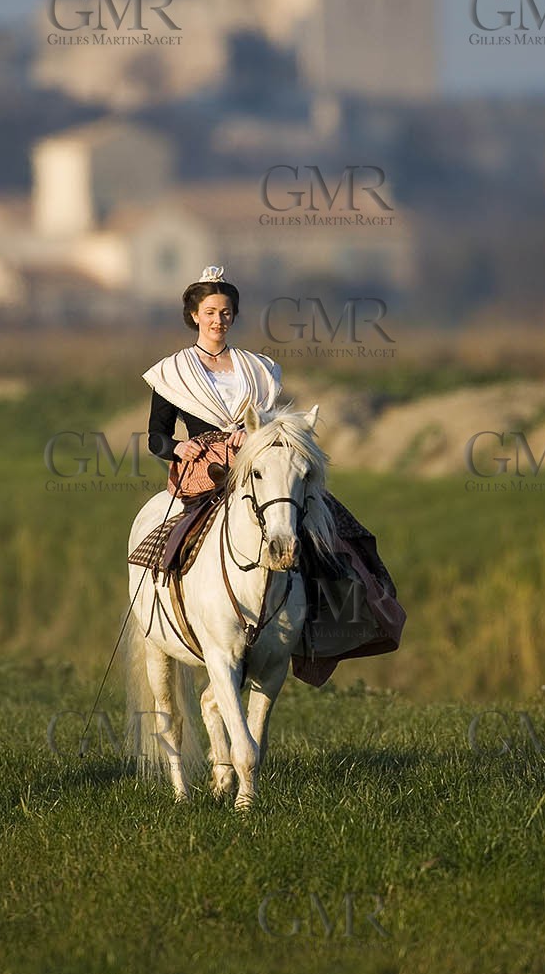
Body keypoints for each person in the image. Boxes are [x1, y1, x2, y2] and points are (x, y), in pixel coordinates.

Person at [142, 265, 405, 685]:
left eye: (225, 312)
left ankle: (331, 614)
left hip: (258, 459)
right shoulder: (172, 372)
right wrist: (179, 447)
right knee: (179, 535)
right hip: (205, 467)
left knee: (324, 520)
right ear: (194, 315)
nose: (218, 320)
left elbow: (273, 421)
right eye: (210, 312)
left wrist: (260, 436)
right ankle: (165, 595)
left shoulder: (258, 369)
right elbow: (156, 437)